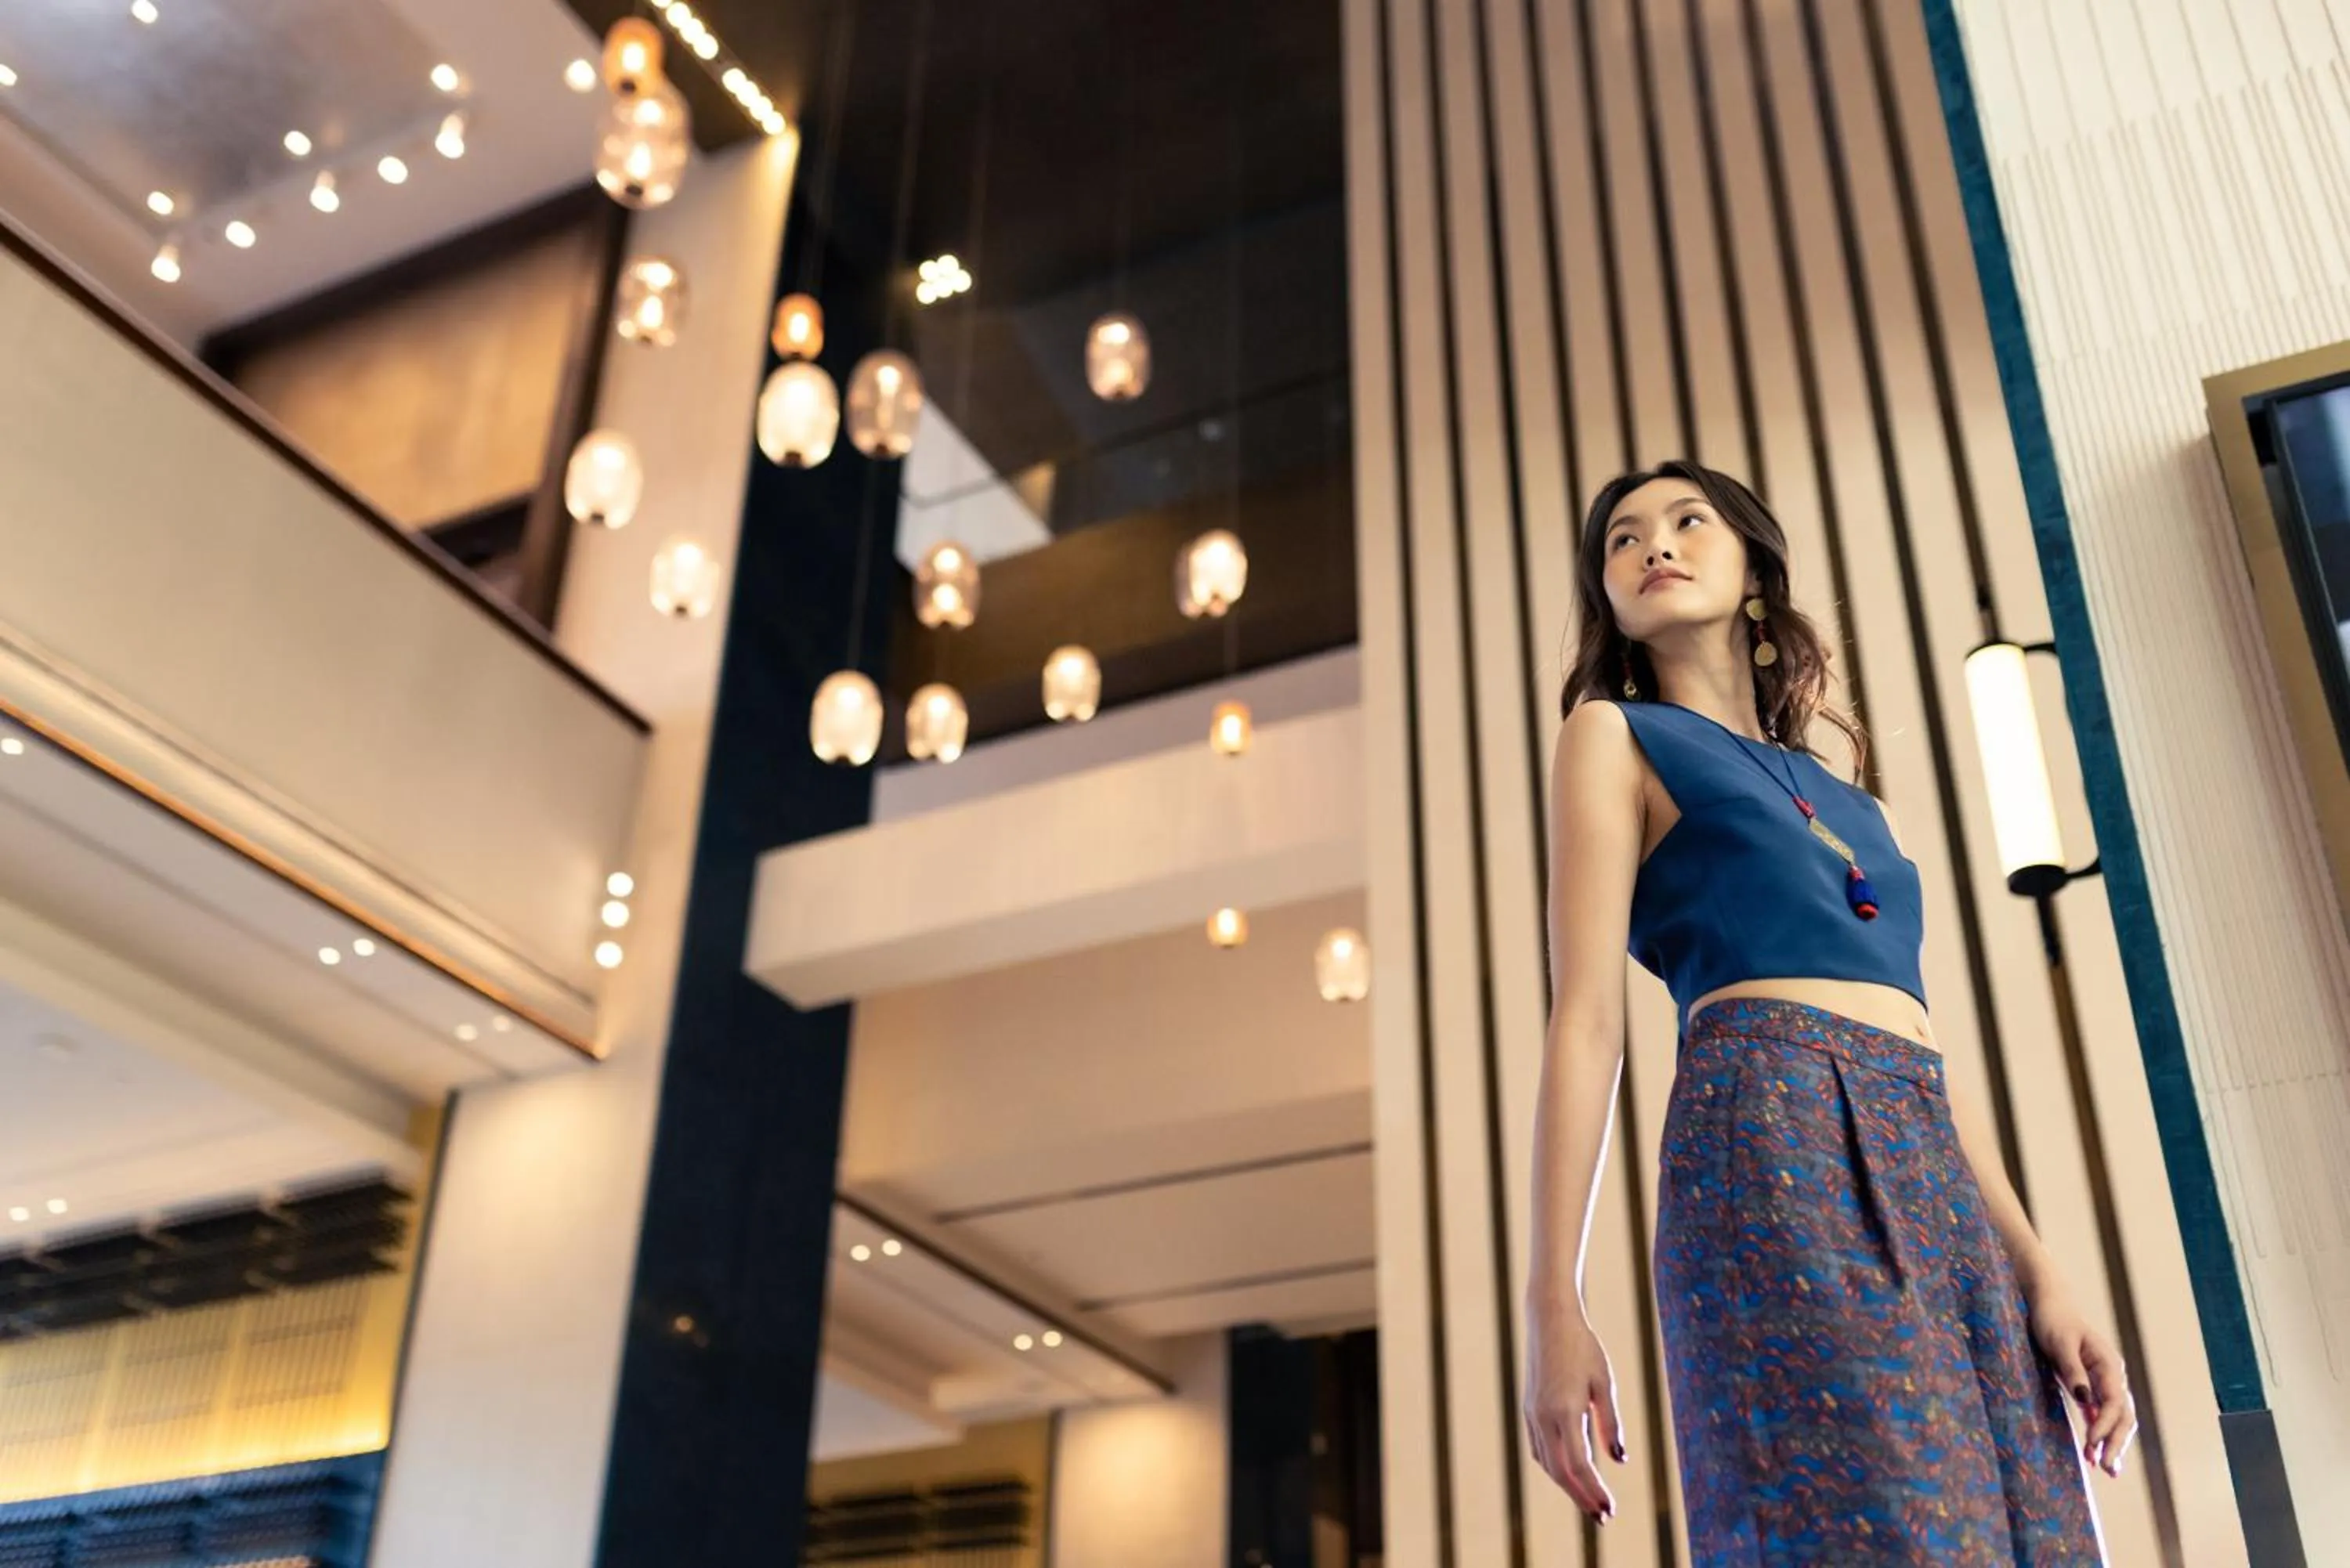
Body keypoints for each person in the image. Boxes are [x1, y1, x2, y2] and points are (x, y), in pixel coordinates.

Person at [1520, 461, 2135, 1563]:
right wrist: (1551, 1302)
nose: (1653, 544)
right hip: (1775, 1134)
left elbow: (1924, 1052)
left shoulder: (1855, 801)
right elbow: (1585, 1023)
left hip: (1930, 1160)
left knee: (2031, 1528)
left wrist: (2044, 1268)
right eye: (1622, 538)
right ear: (1605, 595)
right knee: (1882, 1520)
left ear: (1753, 560)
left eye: (1686, 519)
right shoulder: (1612, 734)